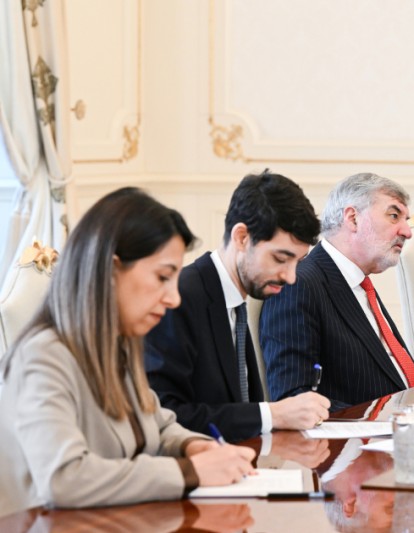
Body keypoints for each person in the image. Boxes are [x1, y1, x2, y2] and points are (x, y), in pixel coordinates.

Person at [0, 188, 255, 516]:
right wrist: (189, 471)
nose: (174, 298)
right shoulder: (43, 356)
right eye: (162, 277)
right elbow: (64, 478)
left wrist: (195, 446)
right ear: (110, 271)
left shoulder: (118, 343)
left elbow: (158, 424)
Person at [145, 170, 331, 443]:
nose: (291, 277)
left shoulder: (236, 301)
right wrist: (272, 414)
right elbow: (165, 416)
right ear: (242, 237)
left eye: (298, 262)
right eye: (281, 259)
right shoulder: (179, 297)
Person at [261, 172, 414, 411]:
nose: (407, 232)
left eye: (406, 219)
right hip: (367, 432)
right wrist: (382, 421)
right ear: (353, 218)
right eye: (394, 216)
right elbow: (294, 397)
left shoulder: (360, 284)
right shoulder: (299, 286)